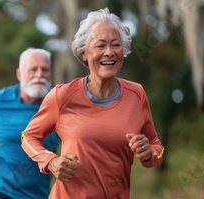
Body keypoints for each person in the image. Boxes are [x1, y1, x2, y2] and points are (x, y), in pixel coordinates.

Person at [21, 8, 165, 199]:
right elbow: (28, 137)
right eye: (100, 46)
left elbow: (156, 147)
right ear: (84, 53)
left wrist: (148, 153)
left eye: (116, 45)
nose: (109, 52)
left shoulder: (136, 94)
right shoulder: (62, 95)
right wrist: (51, 162)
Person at [0, 48, 60, 199]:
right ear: (19, 74)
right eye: (33, 70)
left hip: (39, 194)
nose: (39, 75)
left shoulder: (59, 106)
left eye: (45, 70)